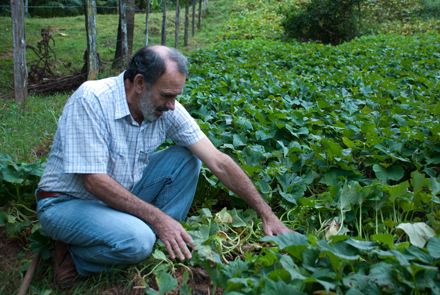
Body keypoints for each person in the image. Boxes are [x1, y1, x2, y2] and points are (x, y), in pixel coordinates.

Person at [36, 45, 292, 289]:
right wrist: (158, 218)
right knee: (138, 241)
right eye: (167, 95)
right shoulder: (92, 100)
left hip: (120, 193)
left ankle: (160, 241)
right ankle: (73, 256)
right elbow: (93, 181)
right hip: (67, 203)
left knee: (186, 158)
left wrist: (265, 213)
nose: (172, 105)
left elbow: (219, 161)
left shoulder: (165, 109)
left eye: (175, 96)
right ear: (139, 83)